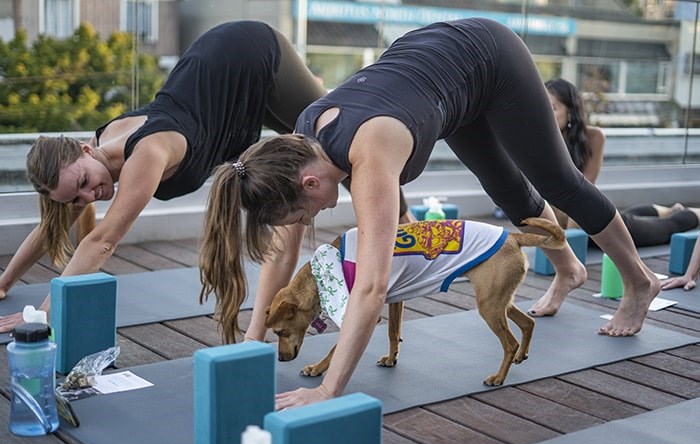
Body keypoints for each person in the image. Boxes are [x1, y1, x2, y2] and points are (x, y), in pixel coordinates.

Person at [200, 18, 660, 409]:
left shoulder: (370, 154)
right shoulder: (296, 145)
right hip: (442, 77)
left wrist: (327, 389)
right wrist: (253, 340)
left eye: (301, 216)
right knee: (506, 187)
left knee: (558, 179)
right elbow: (282, 258)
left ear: (310, 183)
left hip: (490, 57)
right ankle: (569, 269)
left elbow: (374, 286)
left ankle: (639, 280)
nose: (306, 224)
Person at [0, 20, 415, 334]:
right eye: (76, 198)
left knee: (337, 147)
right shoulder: (94, 153)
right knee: (289, 190)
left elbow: (102, 239)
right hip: (219, 94)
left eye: (84, 184)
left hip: (251, 54)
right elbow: (51, 224)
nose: (89, 197)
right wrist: (4, 284)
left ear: (85, 149)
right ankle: (259, 336)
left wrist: (41, 314)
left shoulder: (146, 152)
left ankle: (411, 229)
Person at [545, 78, 700, 249]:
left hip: (591, 223)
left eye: (553, 107)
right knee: (627, 216)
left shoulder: (594, 137)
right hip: (568, 225)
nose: (546, 112)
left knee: (667, 227)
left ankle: (693, 214)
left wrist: (571, 239)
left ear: (570, 112)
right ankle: (669, 210)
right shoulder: (540, 142)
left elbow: (583, 192)